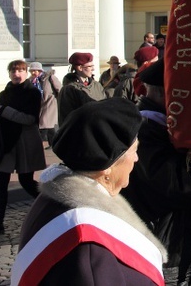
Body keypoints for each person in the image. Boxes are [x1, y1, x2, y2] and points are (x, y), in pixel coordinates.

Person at [11, 98, 166, 284]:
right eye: (134, 150)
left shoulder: (56, 198)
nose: (136, 158)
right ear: (107, 168)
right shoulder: (88, 247)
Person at [121, 60, 191, 284]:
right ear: (170, 95)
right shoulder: (146, 130)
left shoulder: (167, 127)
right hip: (166, 245)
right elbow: (186, 186)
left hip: (183, 240)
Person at [0, 60, 45, 236]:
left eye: (20, 70)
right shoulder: (4, 93)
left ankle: (50, 205)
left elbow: (29, 119)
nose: (17, 74)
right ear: (9, 74)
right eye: (13, 71)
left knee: (26, 181)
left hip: (25, 142)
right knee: (0, 183)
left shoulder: (32, 93)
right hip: (6, 143)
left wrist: (2, 110)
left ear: (26, 73)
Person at [58, 52, 105, 125]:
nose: (93, 69)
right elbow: (66, 118)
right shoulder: (69, 90)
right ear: (80, 68)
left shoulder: (97, 86)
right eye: (90, 66)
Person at [29, 61, 61, 147]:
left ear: (40, 71)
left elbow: (60, 89)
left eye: (35, 71)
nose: (33, 73)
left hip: (50, 104)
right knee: (48, 126)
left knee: (44, 124)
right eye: (31, 71)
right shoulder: (31, 81)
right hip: (39, 105)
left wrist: (58, 100)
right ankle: (54, 144)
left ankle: (37, 144)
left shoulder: (49, 78)